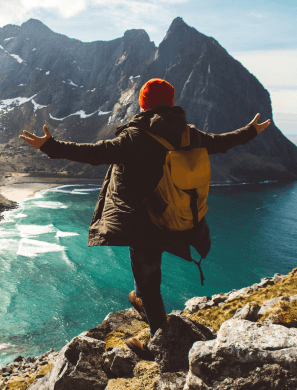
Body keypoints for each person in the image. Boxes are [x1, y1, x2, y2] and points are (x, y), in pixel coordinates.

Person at [19, 78, 271, 358]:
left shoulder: (136, 137)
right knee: (148, 279)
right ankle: (143, 301)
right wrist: (251, 130)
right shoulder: (191, 134)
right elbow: (224, 142)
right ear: (172, 103)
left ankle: (156, 345)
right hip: (179, 220)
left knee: (150, 285)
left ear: (143, 103)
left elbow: (95, 153)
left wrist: (50, 146)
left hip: (145, 225)